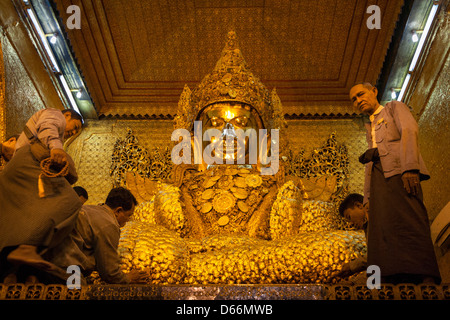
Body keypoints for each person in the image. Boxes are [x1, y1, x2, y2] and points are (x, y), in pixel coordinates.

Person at [349, 83, 441, 284]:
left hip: (400, 174)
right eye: (354, 99)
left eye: (360, 94)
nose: (358, 101)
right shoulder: (369, 127)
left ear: (374, 90)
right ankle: (389, 278)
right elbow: (370, 166)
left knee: (411, 220)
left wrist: (409, 168)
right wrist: (367, 198)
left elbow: (409, 129)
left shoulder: (393, 108)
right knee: (382, 228)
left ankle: (425, 276)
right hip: (380, 179)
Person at [0, 108, 83, 281]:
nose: (73, 132)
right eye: (75, 126)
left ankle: (10, 270)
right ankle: (27, 249)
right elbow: (49, 126)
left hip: (16, 168)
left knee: (20, 219)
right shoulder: (55, 114)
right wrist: (56, 148)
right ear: (67, 115)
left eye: (76, 132)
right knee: (70, 201)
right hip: (27, 162)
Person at [45, 187, 146, 284]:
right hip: (67, 266)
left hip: (47, 258)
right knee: (77, 293)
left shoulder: (90, 209)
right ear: (118, 211)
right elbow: (109, 272)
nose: (129, 219)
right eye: (129, 215)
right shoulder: (109, 224)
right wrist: (127, 278)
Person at [337, 193, 368, 278]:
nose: (350, 224)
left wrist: (352, 266)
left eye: (349, 217)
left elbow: (377, 255)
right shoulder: (368, 226)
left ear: (359, 205)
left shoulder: (378, 219)